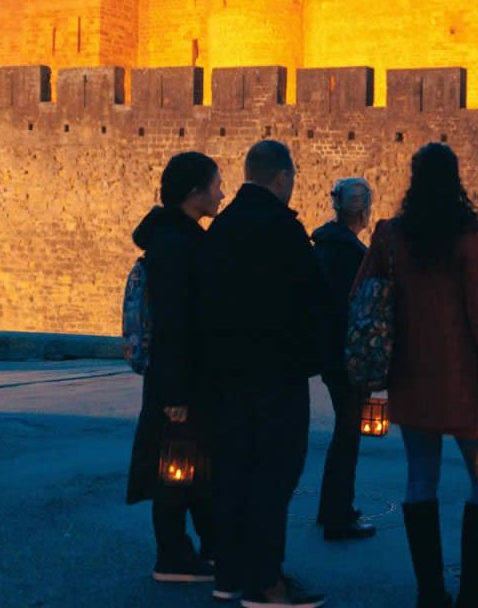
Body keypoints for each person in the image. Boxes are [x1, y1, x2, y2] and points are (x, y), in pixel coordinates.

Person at [355, 143, 478, 608]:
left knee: (419, 480)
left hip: (411, 377)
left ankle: (430, 594)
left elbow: (361, 295)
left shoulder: (390, 234)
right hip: (465, 383)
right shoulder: (469, 235)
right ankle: (474, 592)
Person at [197, 140, 330, 608]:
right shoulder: (283, 231)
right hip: (276, 374)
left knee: (233, 474)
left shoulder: (222, 229)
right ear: (282, 178)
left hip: (226, 376)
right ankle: (267, 583)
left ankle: (229, 574)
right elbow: (311, 300)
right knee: (274, 477)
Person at [126, 151, 224, 584]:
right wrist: (176, 396)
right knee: (176, 466)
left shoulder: (179, 240)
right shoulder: (176, 246)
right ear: (194, 193)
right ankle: (172, 555)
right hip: (178, 383)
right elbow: (173, 325)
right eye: (216, 184)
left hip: (185, 379)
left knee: (192, 463)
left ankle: (211, 546)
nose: (221, 192)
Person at [312, 177, 377, 542]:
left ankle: (331, 509)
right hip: (345, 358)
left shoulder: (321, 246)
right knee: (347, 435)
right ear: (363, 210)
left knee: (344, 432)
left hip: (326, 353)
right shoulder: (353, 255)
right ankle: (338, 515)